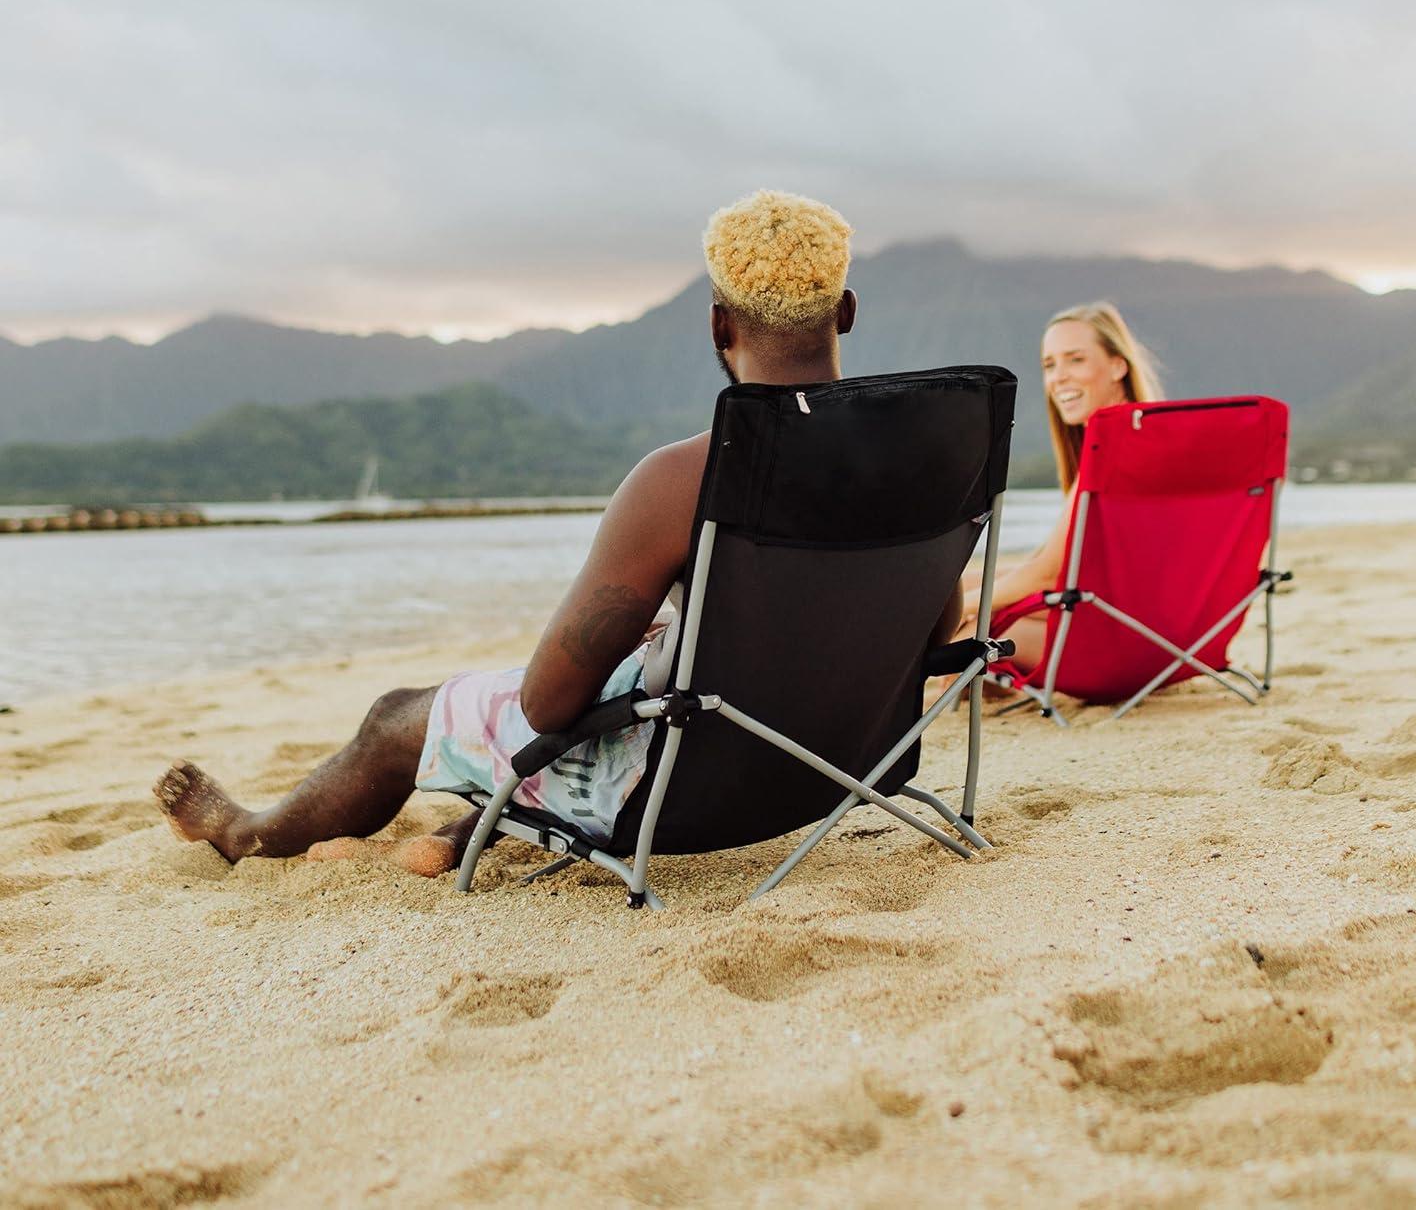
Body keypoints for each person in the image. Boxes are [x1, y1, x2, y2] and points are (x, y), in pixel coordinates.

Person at [153, 191, 966, 877]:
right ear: (847, 311)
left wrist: (629, 639)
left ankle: (244, 834)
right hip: (845, 769)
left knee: (399, 715)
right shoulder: (922, 462)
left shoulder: (683, 479)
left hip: (680, 795)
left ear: (720, 325)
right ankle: (467, 832)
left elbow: (547, 705)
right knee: (652, 657)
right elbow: (935, 627)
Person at [973, 301, 1162, 679]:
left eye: (1075, 360)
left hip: (1118, 650)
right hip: (1160, 640)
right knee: (962, 587)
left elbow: (1047, 576)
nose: (1058, 377)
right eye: (1049, 365)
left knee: (965, 632)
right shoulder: (1144, 439)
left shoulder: (1112, 451)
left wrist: (965, 608)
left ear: (1117, 365)